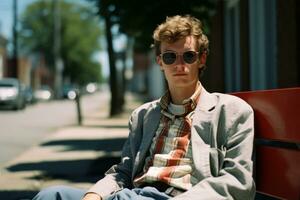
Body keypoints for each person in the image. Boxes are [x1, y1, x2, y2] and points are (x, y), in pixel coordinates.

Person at [33, 15, 255, 200]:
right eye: (170, 56)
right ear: (159, 62)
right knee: (51, 195)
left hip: (179, 196)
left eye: (188, 56)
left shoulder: (232, 111)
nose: (179, 65)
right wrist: (95, 194)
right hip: (132, 194)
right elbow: (124, 172)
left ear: (202, 59)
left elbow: (238, 180)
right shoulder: (143, 115)